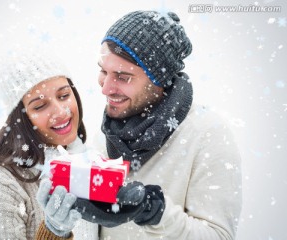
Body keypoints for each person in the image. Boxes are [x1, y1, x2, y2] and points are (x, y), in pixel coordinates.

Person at [93, 10, 242, 239]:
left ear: (158, 79)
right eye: (103, 71)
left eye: (123, 77)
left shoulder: (207, 135)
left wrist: (155, 212)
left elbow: (219, 236)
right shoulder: (109, 130)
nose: (105, 88)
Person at [0, 48, 99, 239]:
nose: (61, 112)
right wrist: (53, 233)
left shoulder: (88, 161)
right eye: (40, 106)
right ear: (20, 118)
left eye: (64, 96)